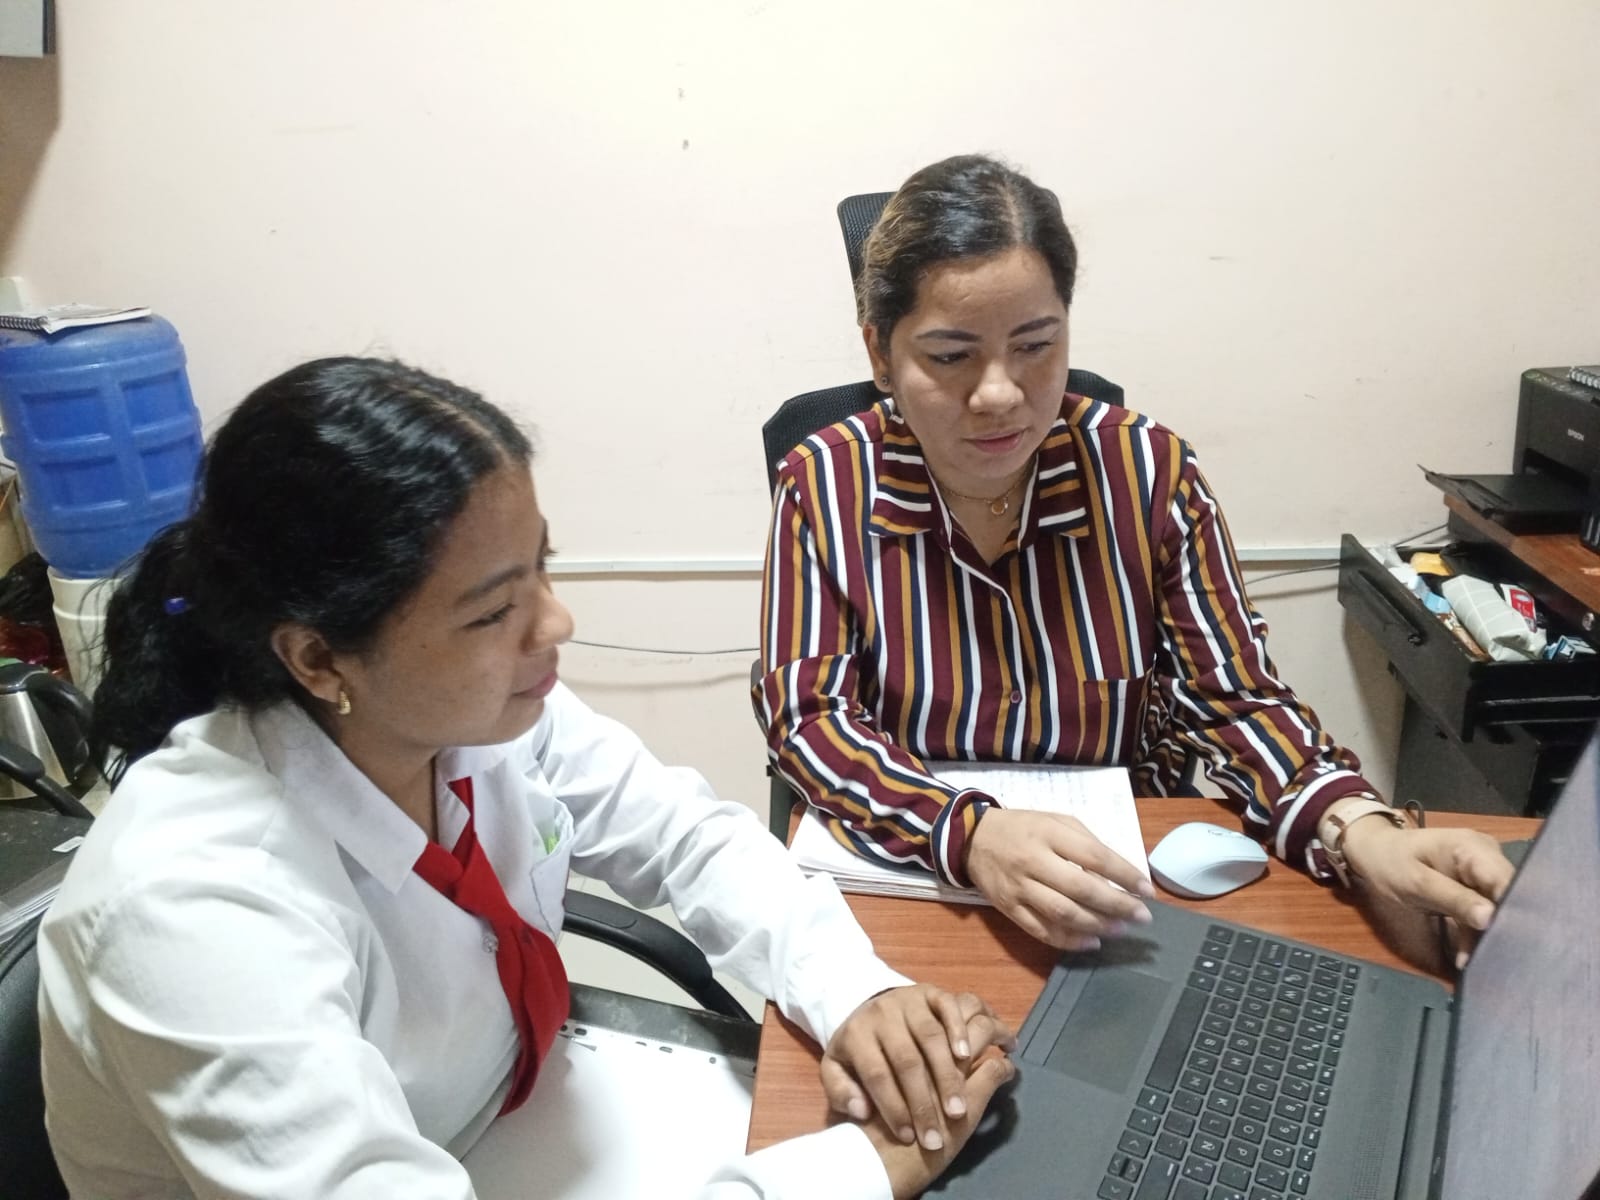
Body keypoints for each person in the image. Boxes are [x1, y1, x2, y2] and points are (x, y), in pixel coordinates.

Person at [36, 357, 1017, 1200]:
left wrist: (854, 991)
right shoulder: (193, 907)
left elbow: (684, 836)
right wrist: (857, 1172)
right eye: (492, 611)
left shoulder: (455, 718)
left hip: (513, 1115)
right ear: (320, 659)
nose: (555, 623)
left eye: (540, 569)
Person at [755, 154, 1514, 964]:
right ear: (881, 355)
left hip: (1118, 894)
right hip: (920, 887)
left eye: (1035, 345)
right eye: (950, 357)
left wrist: (1360, 828)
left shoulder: (1148, 472)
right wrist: (969, 832)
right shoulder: (826, 484)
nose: (1001, 393)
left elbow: (1235, 699)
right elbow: (809, 720)